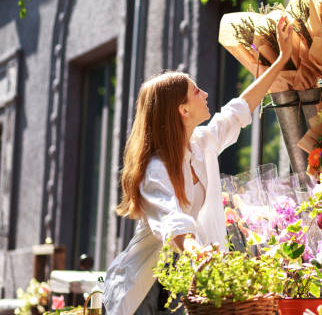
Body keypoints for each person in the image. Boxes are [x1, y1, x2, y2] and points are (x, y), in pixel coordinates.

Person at [103, 17, 292, 315]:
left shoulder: (200, 144)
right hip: (143, 293)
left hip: (181, 283)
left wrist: (281, 60)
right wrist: (201, 255)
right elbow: (172, 221)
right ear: (182, 110)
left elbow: (238, 110)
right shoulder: (156, 169)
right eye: (196, 92)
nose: (205, 95)